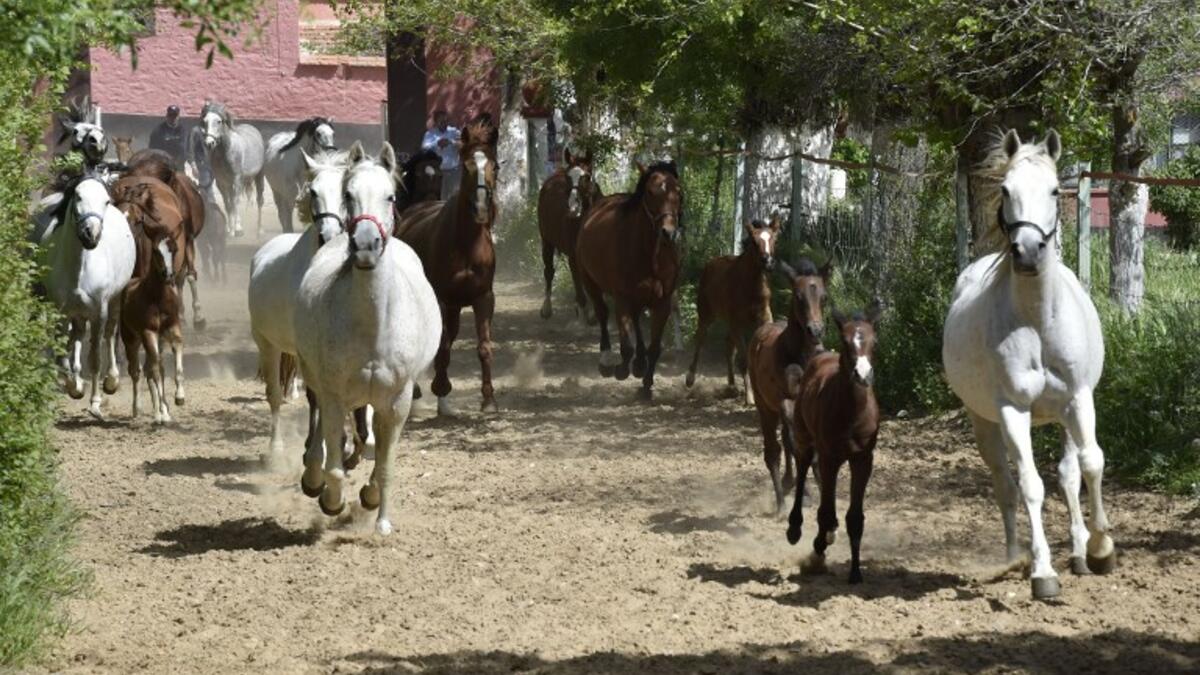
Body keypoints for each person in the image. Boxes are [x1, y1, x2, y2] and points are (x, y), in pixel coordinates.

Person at [421, 109, 461, 200]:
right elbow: (423, 148)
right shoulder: (430, 134)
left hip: (453, 171)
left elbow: (463, 143)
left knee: (454, 198)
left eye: (446, 120)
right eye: (441, 121)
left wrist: (451, 142)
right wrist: (436, 143)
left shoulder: (454, 132)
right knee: (440, 199)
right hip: (437, 173)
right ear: (436, 122)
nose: (444, 123)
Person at [149, 105, 187, 170]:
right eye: (170, 115)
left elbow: (184, 149)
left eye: (175, 116)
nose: (173, 118)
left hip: (178, 165)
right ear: (166, 116)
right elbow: (152, 149)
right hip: (162, 164)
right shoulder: (158, 130)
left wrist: (178, 162)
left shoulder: (182, 130)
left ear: (178, 117)